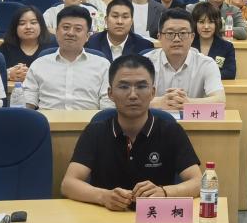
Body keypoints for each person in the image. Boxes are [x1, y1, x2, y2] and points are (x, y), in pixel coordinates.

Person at [61, 55, 202, 209]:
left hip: (155, 218)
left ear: (153, 92)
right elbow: (69, 184)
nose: (133, 95)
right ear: (110, 93)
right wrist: (103, 196)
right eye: (124, 87)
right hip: (105, 217)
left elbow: (198, 182)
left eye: (141, 86)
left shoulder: (171, 131)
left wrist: (164, 192)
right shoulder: (95, 131)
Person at [22, 5, 111, 110]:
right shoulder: (39, 64)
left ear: (87, 36)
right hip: (47, 120)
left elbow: (108, 105)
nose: (70, 33)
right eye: (66, 27)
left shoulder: (103, 65)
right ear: (56, 32)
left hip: (90, 120)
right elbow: (27, 103)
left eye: (78, 29)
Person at [146, 9, 225, 110]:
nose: (177, 39)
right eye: (170, 33)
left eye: (183, 33)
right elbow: (129, 100)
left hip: (192, 119)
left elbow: (220, 101)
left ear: (192, 37)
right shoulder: (145, 63)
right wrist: (159, 102)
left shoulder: (206, 64)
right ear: (159, 37)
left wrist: (188, 103)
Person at [86, 0, 156, 61]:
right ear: (106, 20)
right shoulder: (92, 43)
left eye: (125, 17)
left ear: (131, 22)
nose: (120, 22)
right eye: (115, 16)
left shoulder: (143, 46)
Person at [0, 5, 51, 85]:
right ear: (15, 27)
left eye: (33, 23)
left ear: (41, 25)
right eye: (22, 23)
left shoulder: (52, 48)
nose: (28, 27)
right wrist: (8, 74)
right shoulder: (5, 49)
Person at [191, 1, 237, 80]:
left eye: (211, 22)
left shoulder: (227, 47)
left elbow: (230, 73)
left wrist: (204, 76)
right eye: (201, 22)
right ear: (195, 24)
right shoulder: (188, 45)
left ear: (217, 24)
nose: (206, 26)